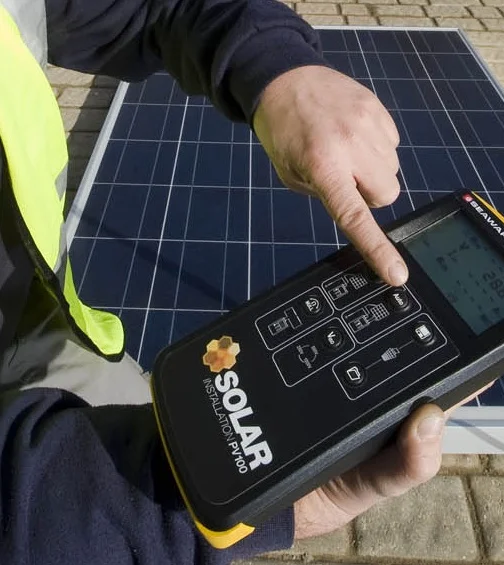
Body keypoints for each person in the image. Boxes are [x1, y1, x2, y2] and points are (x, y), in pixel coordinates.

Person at [0, 0, 477, 563]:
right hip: (47, 500)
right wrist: (176, 515)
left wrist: (277, 69)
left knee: (180, 422)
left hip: (48, 326)